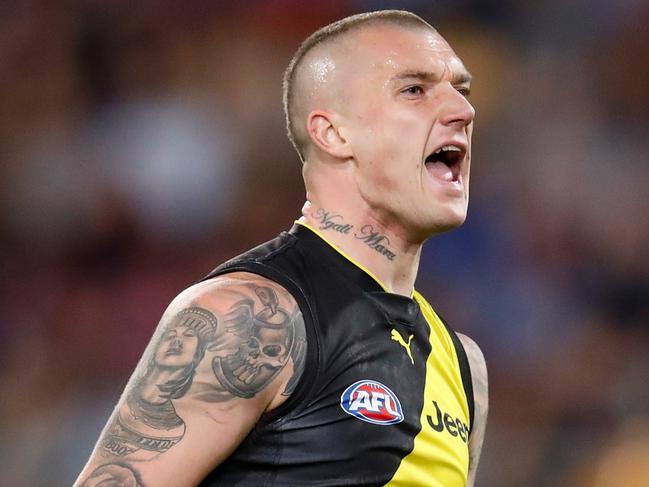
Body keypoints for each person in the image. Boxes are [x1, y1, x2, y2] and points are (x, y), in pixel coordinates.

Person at [75, 9, 488, 487]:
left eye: (461, 89)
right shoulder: (248, 318)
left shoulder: (463, 366)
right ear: (333, 133)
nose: (463, 110)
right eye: (414, 90)